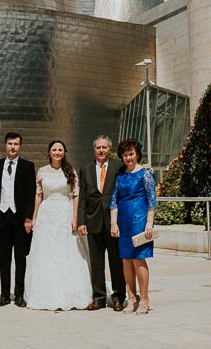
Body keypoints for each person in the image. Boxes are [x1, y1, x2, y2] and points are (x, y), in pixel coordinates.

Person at [23, 140, 92, 310]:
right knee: (46, 253)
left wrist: (75, 218)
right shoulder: (42, 171)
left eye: (60, 150)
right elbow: (38, 196)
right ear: (49, 152)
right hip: (46, 215)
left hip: (65, 214)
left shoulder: (70, 171)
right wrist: (33, 218)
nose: (57, 152)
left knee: (66, 253)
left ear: (64, 152)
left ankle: (70, 292)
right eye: (54, 149)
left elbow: (76, 195)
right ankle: (45, 292)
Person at [77, 135, 128, 311]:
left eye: (104, 147)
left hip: (113, 223)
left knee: (116, 262)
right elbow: (82, 196)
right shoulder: (86, 168)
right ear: (94, 149)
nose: (101, 150)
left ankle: (118, 298)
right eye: (98, 147)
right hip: (93, 221)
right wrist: (80, 221)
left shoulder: (118, 167)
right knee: (96, 263)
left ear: (109, 149)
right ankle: (98, 297)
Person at [110, 137, 157, 315]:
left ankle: (144, 299)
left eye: (131, 154)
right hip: (123, 223)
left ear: (137, 155)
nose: (128, 157)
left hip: (140, 222)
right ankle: (131, 298)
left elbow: (152, 200)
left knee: (139, 259)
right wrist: (114, 223)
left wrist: (149, 224)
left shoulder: (145, 174)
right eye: (125, 154)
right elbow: (114, 200)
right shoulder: (121, 175)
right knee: (126, 260)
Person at [0, 131, 36, 307]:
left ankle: (19, 294)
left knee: (20, 258)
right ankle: (4, 294)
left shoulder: (27, 166)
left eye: (16, 144)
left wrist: (28, 218)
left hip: (19, 217)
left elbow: (31, 193)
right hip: (2, 217)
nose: (13, 147)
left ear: (20, 146)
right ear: (5, 145)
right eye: (10, 143)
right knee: (4, 257)